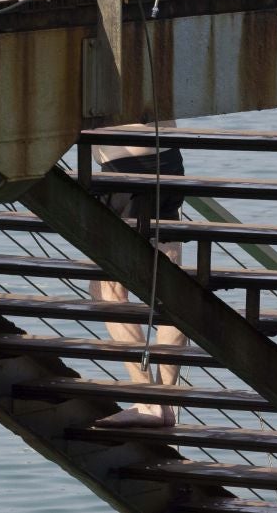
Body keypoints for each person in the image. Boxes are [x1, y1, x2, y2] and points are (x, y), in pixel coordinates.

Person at [89, 140, 190, 428]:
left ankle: (147, 400)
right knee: (170, 287)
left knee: (106, 289)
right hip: (169, 162)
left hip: (123, 167)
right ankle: (166, 401)